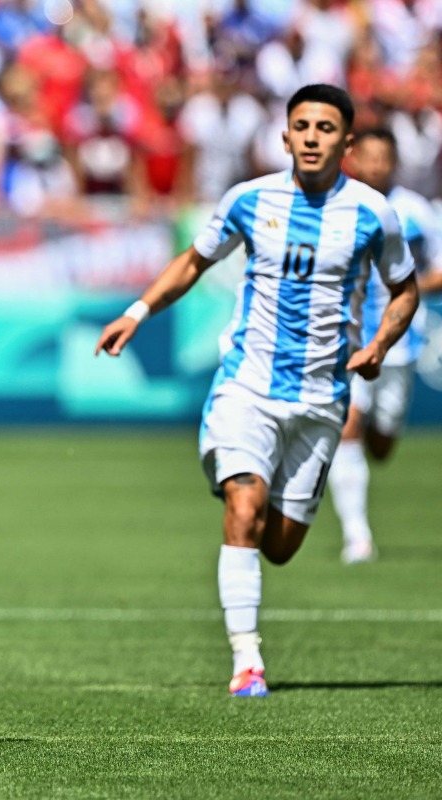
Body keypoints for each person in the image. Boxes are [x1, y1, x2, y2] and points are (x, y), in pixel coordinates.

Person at [95, 84, 418, 698]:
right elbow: (194, 260)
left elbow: (404, 290)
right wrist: (138, 311)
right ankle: (248, 663)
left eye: (326, 128)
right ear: (286, 136)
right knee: (242, 507)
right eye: (303, 125)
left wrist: (378, 345)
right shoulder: (250, 199)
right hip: (246, 385)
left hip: (322, 398)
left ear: (346, 142)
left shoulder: (374, 213)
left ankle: (272, 515)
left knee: (280, 545)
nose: (313, 137)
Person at [328, 128, 442, 564]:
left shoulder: (415, 211)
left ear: (394, 161)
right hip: (349, 339)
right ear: (354, 158)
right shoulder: (339, 205)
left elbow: (437, 270)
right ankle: (358, 538)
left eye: (383, 158)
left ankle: (377, 439)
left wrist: (405, 286)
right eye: (368, 157)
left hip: (399, 343)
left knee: (382, 442)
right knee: (348, 427)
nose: (375, 165)